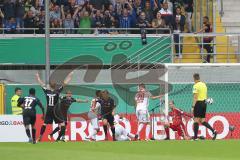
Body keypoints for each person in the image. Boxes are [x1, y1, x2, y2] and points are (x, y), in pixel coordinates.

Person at [35, 71, 73, 142]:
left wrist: (37, 77)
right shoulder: (57, 91)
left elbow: (41, 84)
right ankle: (60, 138)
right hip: (56, 110)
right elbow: (65, 83)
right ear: (55, 86)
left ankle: (40, 137)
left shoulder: (47, 91)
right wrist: (70, 76)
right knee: (62, 124)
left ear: (49, 85)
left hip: (49, 109)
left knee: (44, 124)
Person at [192, 73, 217, 140]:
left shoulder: (195, 85)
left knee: (196, 120)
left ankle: (195, 138)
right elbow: (205, 96)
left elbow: (195, 97)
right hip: (204, 103)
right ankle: (214, 131)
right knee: (202, 121)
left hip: (198, 103)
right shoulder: (204, 84)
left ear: (194, 78)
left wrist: (193, 106)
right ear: (199, 78)